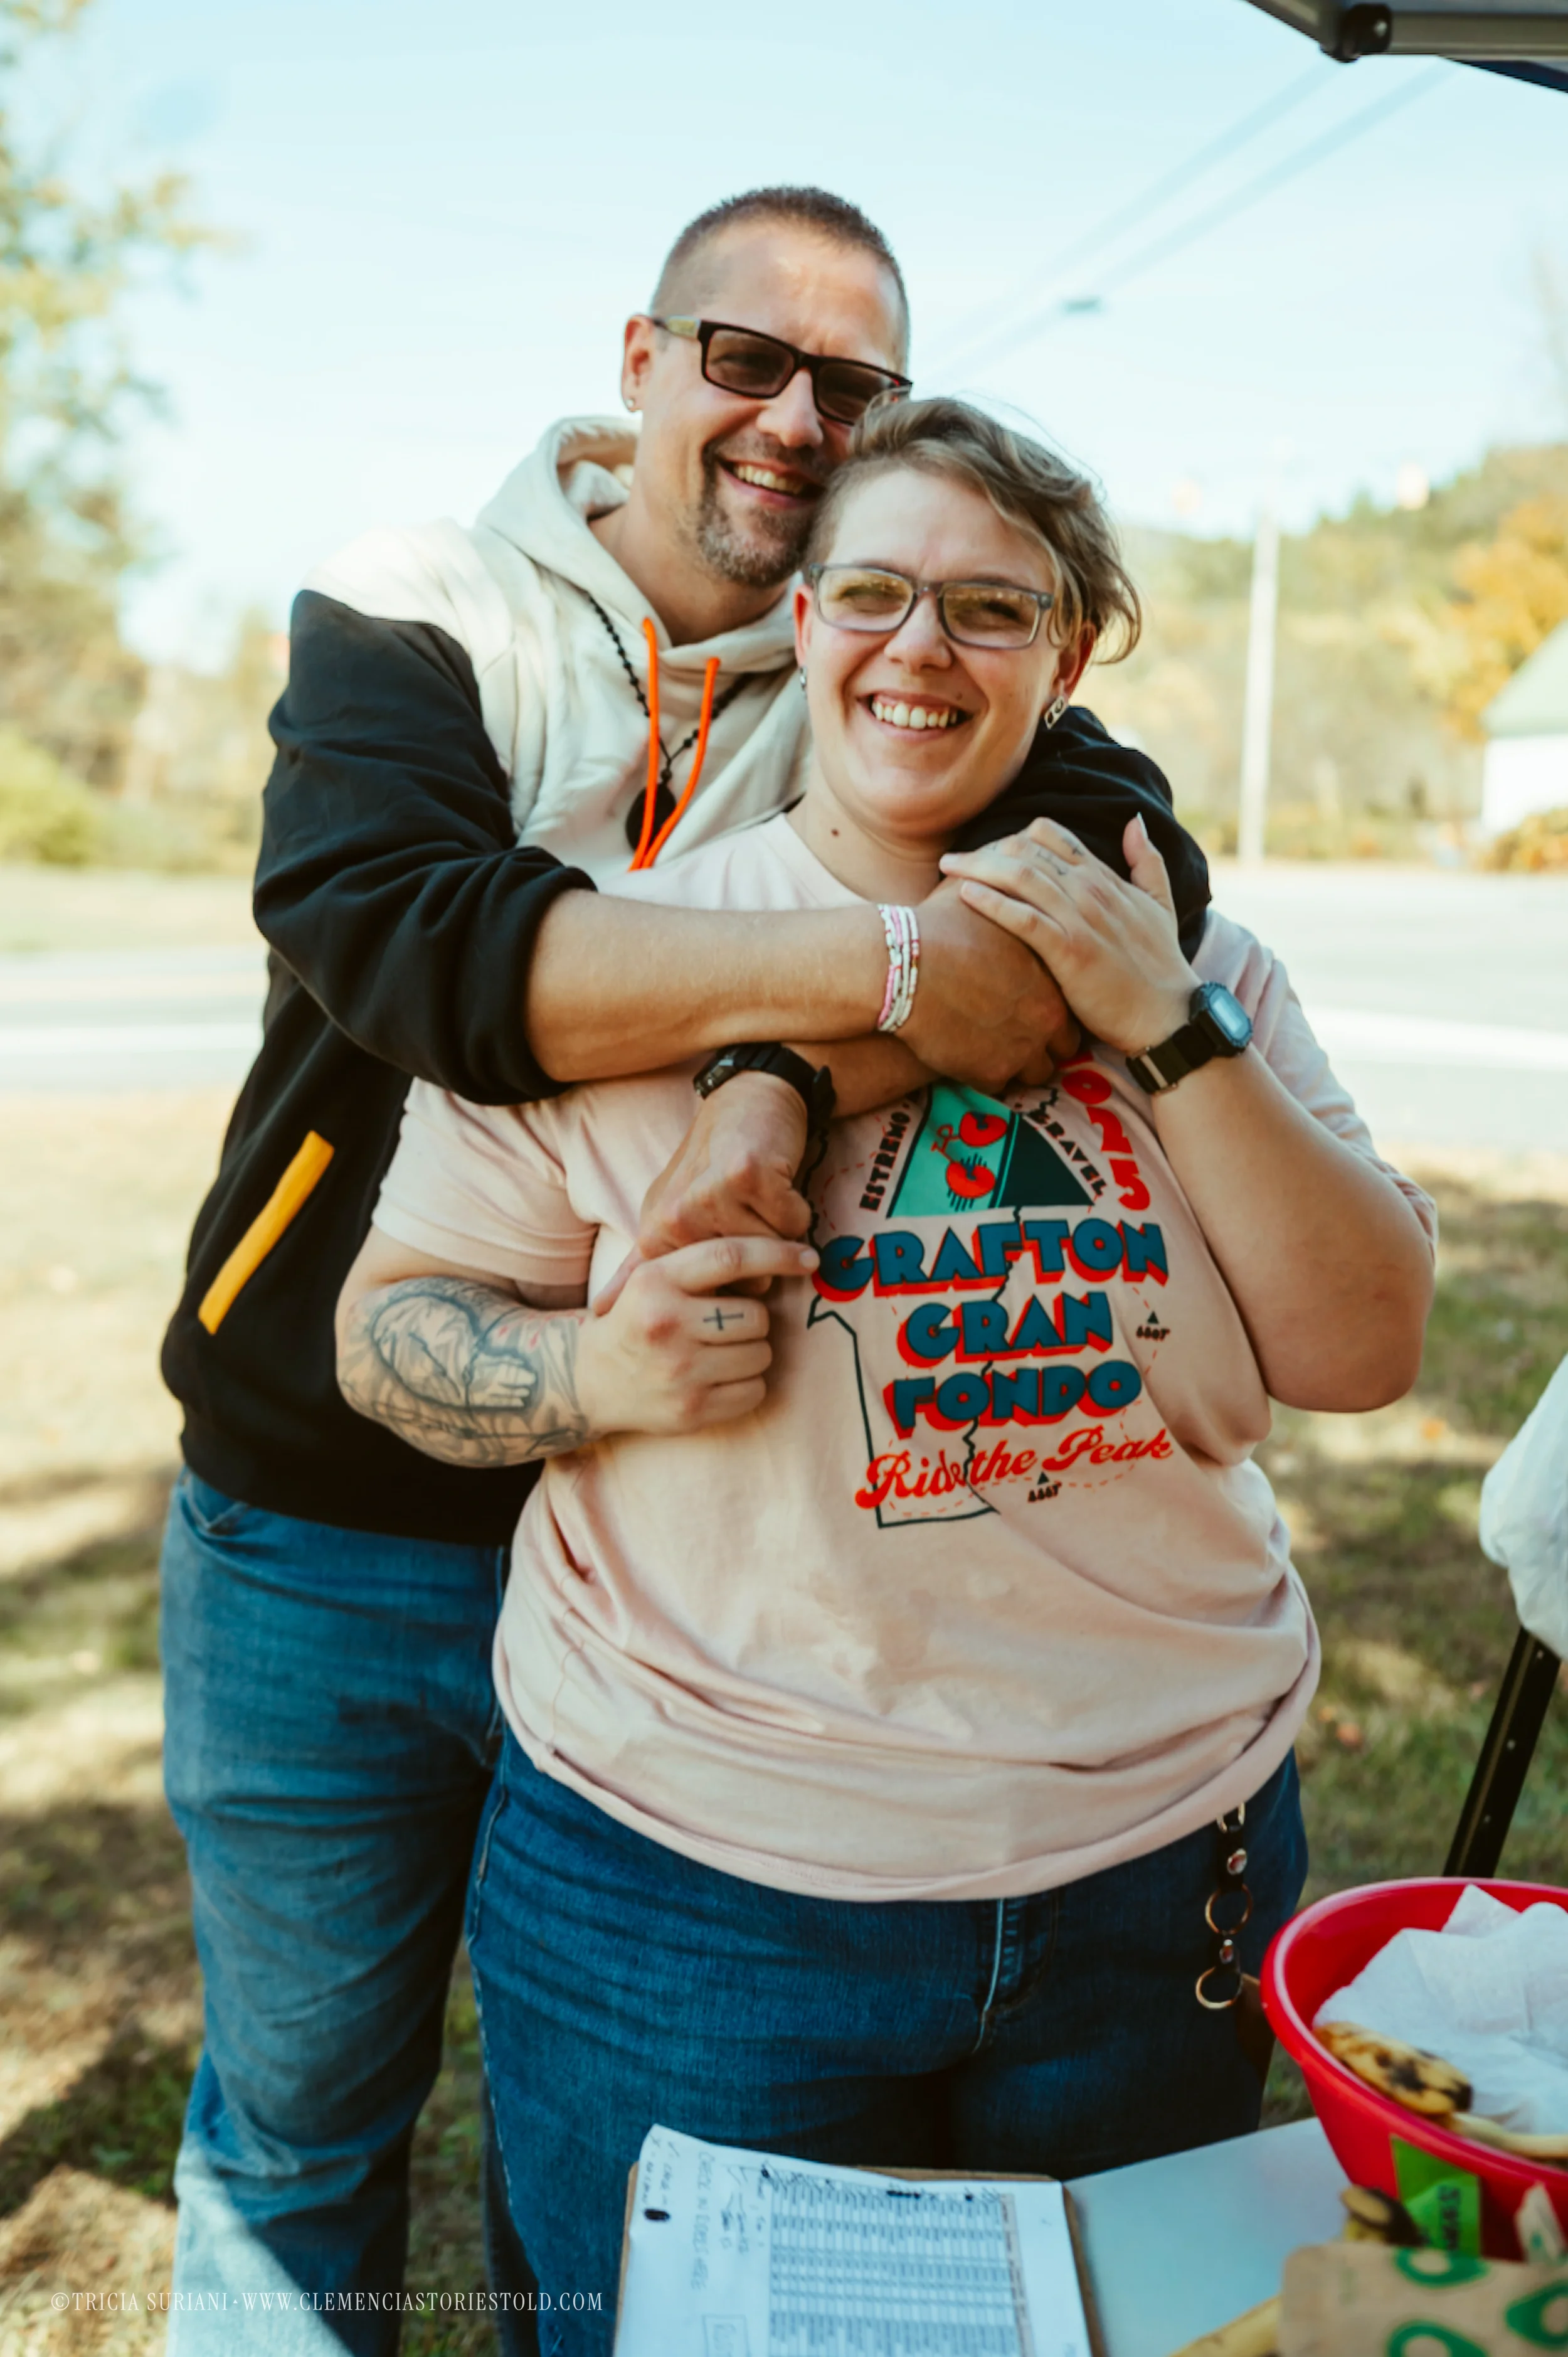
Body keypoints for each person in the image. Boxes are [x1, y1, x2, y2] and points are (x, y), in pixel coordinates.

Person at [156, 186, 1212, 2346]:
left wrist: (765, 1083)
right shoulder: (422, 601)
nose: (797, 419)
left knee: (606, 2160)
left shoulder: (876, 641)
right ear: (636, 361)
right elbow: (419, 949)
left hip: (706, 1571)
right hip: (338, 1515)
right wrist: (877, 972)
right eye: (745, 359)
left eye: (857, 386)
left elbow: (1128, 877)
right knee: (303, 2130)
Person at [337, 396, 1438, 2352]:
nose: (918, 646)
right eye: (870, 591)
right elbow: (390, 1329)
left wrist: (1161, 1019)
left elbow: (1361, 1345)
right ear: (804, 622)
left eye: (988, 607)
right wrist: (596, 1369)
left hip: (1156, 1873)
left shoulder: (1204, 960)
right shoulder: (628, 960)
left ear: (1066, 657)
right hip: (696, 1891)